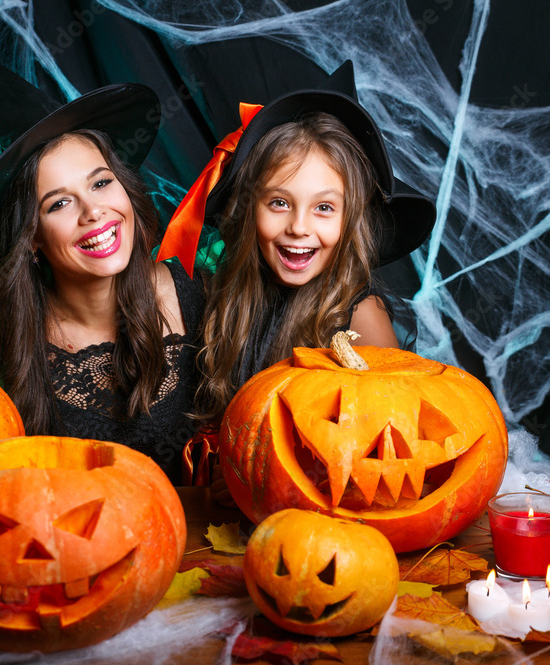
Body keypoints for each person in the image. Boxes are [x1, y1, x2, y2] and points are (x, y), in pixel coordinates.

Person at [0, 16, 203, 483]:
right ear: (31, 239)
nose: (94, 212)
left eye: (101, 183)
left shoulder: (198, 292)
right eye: (60, 202)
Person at [158, 61, 435, 482]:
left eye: (324, 208)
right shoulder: (220, 297)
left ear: (350, 220)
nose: (299, 227)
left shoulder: (360, 318)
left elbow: (391, 450)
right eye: (279, 203)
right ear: (249, 210)